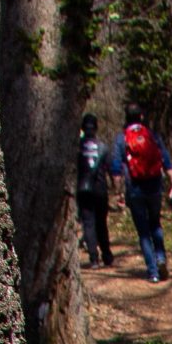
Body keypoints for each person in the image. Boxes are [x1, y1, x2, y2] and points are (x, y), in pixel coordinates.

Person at [110, 105, 172, 282]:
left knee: (143, 232)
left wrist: (118, 193)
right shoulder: (152, 136)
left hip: (134, 189)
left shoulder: (121, 139)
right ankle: (161, 258)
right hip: (155, 186)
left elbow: (116, 169)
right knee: (156, 224)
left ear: (126, 117)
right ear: (142, 117)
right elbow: (166, 161)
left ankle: (153, 272)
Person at [74, 113, 113, 269]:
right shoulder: (103, 147)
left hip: (83, 189)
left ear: (82, 128)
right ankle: (107, 256)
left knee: (88, 224)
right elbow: (111, 168)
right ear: (96, 128)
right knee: (101, 223)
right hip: (100, 190)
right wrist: (117, 189)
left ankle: (94, 259)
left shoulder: (76, 148)